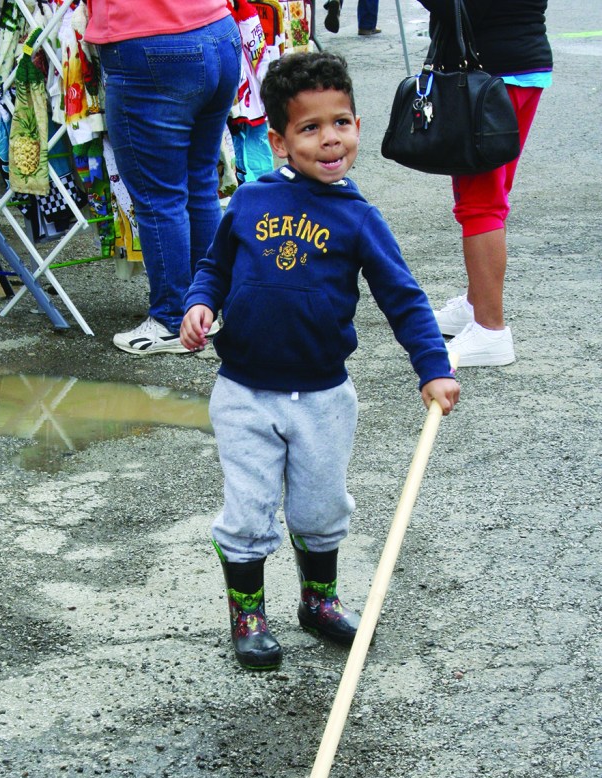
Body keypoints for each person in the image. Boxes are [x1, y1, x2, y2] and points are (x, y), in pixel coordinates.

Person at [180, 51, 460, 670]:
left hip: (325, 396)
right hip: (244, 391)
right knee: (248, 507)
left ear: (357, 124)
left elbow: (404, 299)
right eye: (310, 128)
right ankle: (248, 616)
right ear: (279, 139)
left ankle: (319, 601)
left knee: (320, 507)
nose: (330, 139)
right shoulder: (249, 201)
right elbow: (214, 268)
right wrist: (199, 304)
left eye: (342, 122)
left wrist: (433, 367)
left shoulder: (357, 218)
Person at [84, 0, 242, 356]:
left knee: (160, 195)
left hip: (151, 43)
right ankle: (205, 309)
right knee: (199, 181)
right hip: (216, 30)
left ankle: (174, 319)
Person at [417, 0, 553, 366]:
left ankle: (490, 328)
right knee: (487, 194)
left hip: (494, 71)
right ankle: (478, 303)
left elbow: (465, 8)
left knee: (480, 204)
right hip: (516, 63)